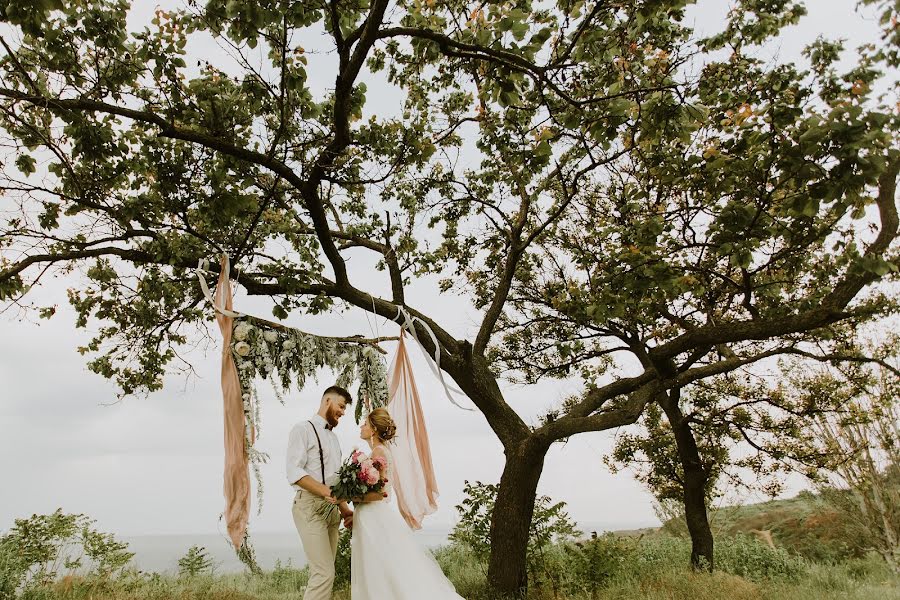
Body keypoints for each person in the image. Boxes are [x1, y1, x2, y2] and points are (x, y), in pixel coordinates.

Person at [351, 407, 465, 599]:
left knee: (376, 565)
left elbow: (380, 493)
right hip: (371, 514)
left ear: (374, 430)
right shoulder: (377, 451)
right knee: (380, 564)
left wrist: (350, 496)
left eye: (365, 424)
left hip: (373, 515)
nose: (361, 426)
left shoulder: (378, 451)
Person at [286, 386, 354, 600]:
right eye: (341, 406)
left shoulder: (334, 439)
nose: (343, 412)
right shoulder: (302, 429)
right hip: (309, 507)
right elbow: (294, 472)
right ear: (327, 401)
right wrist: (329, 493)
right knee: (323, 573)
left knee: (326, 573)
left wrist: (345, 510)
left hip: (332, 511)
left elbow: (333, 481)